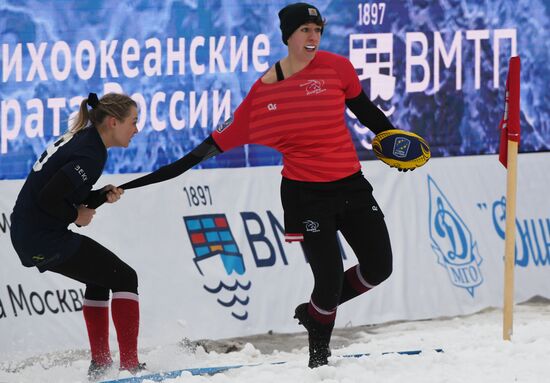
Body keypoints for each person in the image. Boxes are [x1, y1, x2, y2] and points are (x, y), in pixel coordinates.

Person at [92, 2, 399, 369]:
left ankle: (316, 312)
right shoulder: (263, 95)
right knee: (329, 279)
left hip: (351, 184)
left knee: (380, 267)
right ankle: (320, 357)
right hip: (307, 195)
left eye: (318, 30)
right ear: (288, 36)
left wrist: (393, 139)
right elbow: (204, 149)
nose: (313, 37)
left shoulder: (338, 68)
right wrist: (144, 180)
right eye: (305, 30)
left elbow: (363, 108)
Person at [10, 92, 145, 379]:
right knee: (125, 278)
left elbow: (63, 191)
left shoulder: (85, 140)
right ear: (112, 121)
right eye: (133, 122)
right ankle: (130, 367)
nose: (137, 129)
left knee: (100, 279)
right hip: (41, 236)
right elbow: (50, 198)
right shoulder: (91, 153)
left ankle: (100, 366)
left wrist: (97, 197)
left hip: (29, 233)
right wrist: (76, 216)